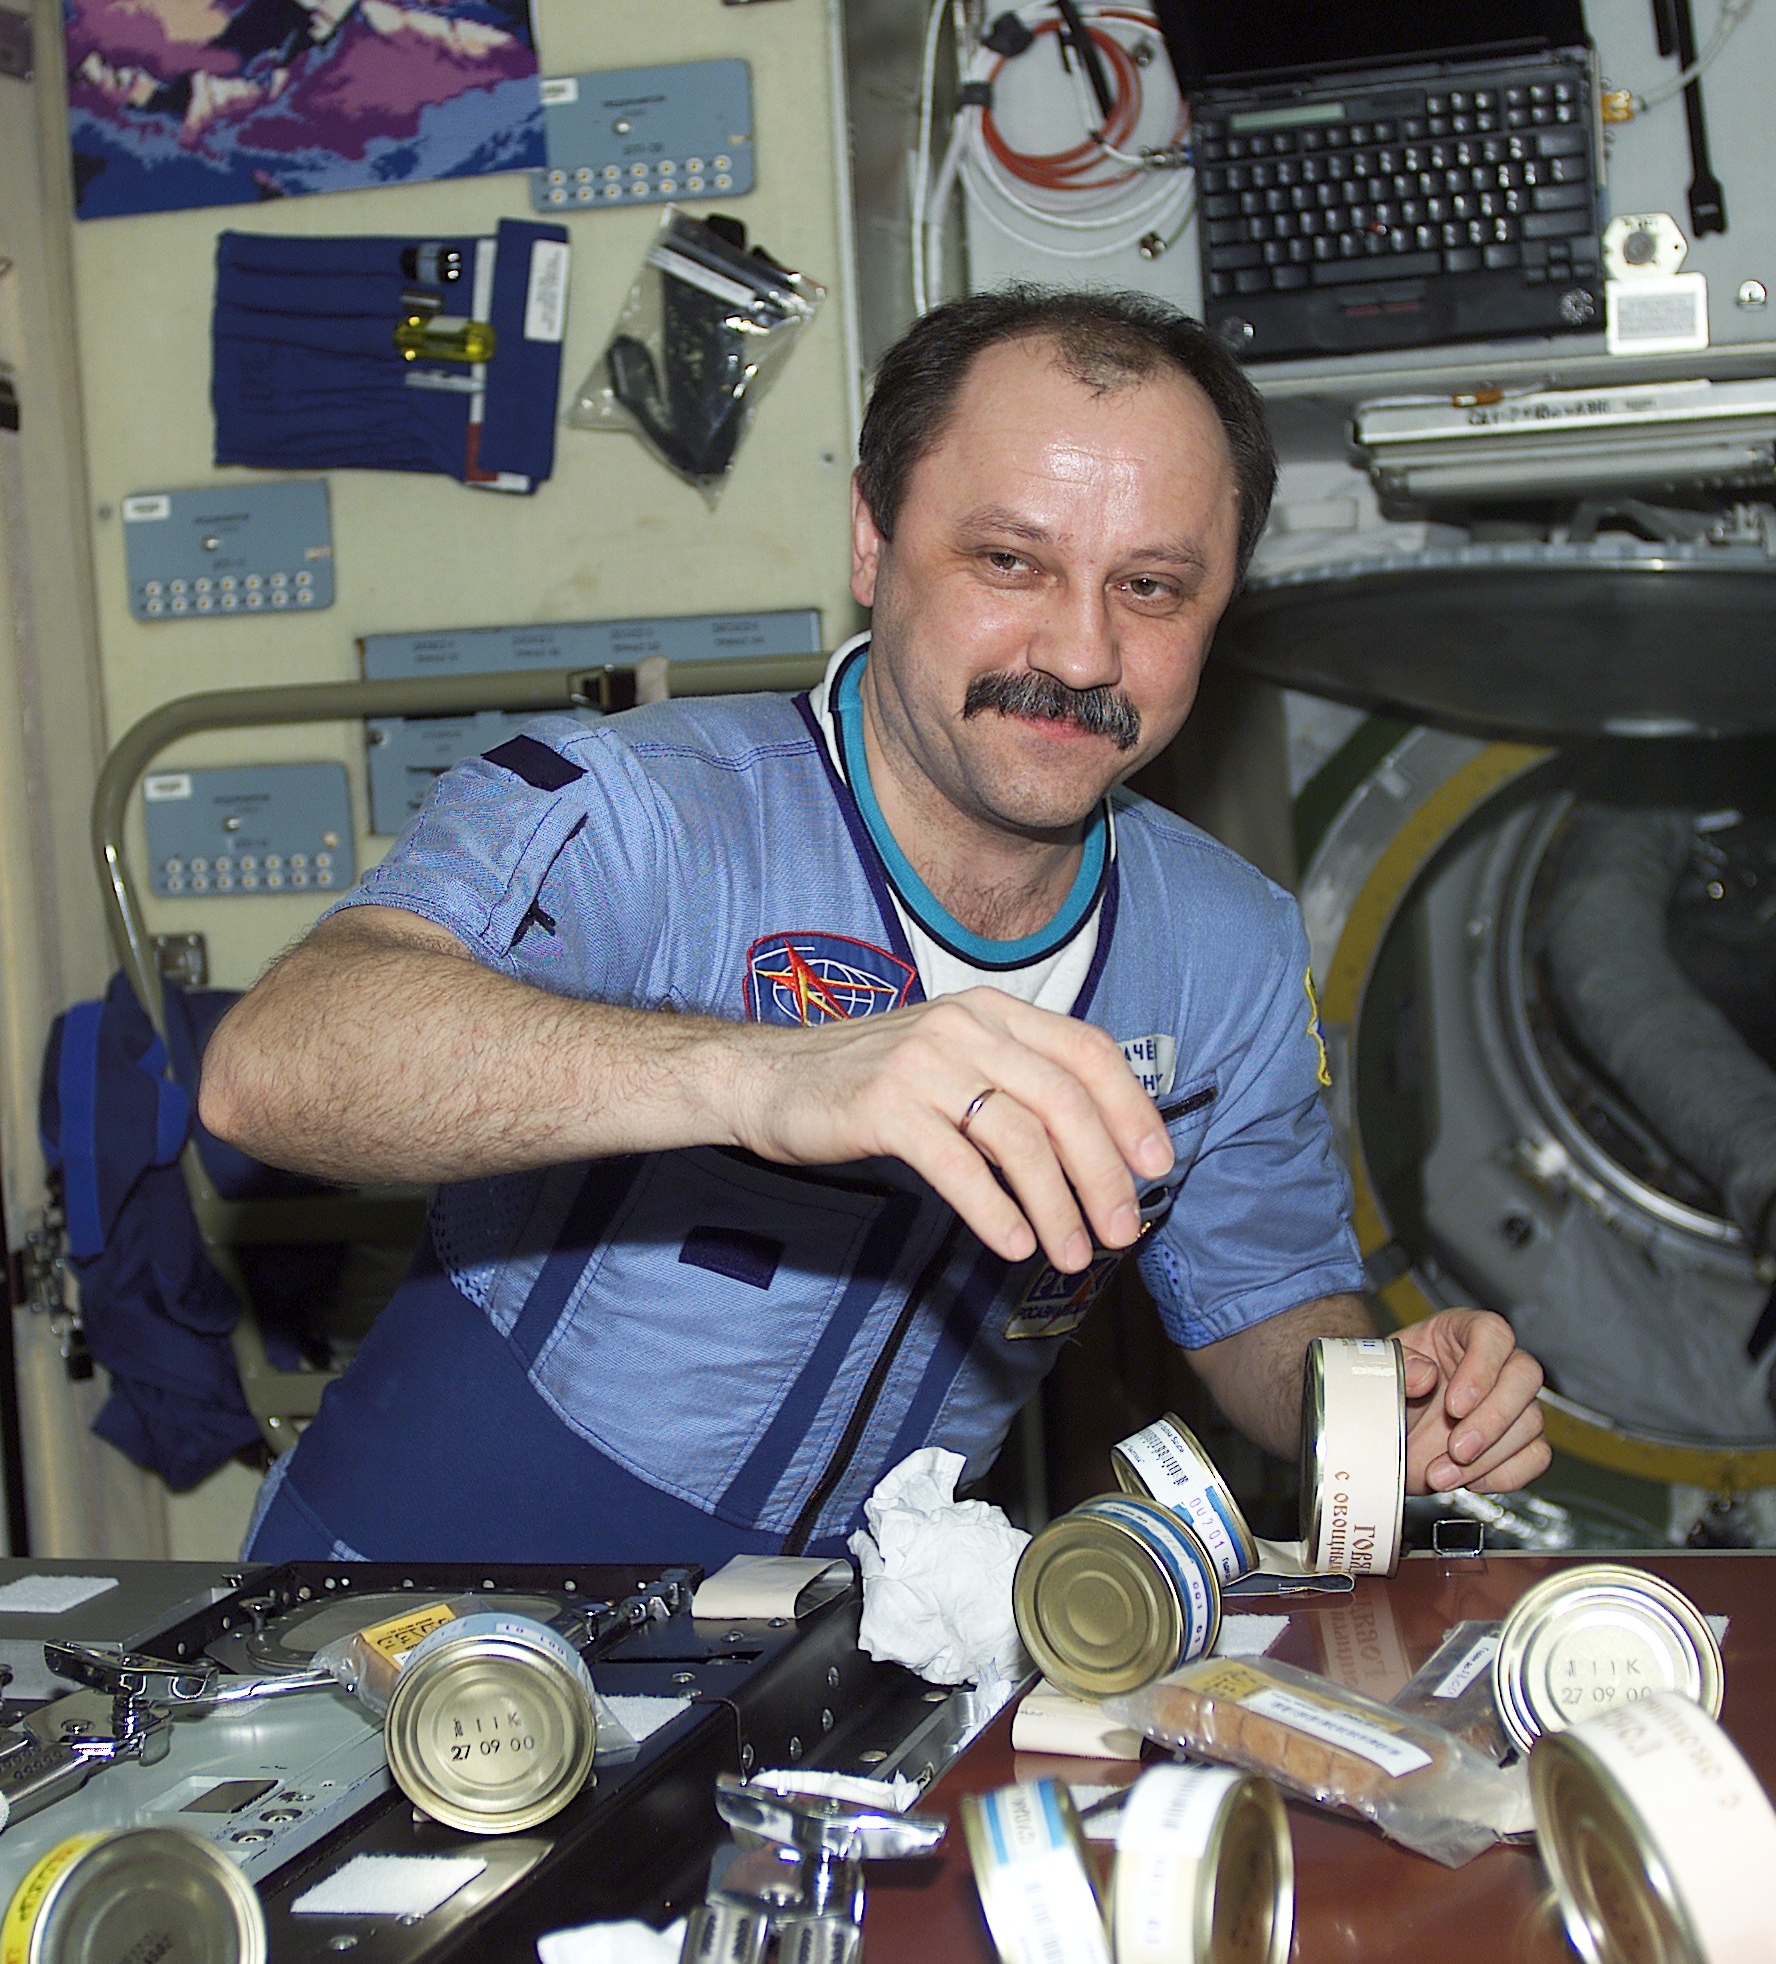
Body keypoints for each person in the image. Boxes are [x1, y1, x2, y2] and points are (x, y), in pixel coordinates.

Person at [199, 286, 1550, 1565]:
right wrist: (760, 1077)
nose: (1081, 655)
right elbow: (273, 1071)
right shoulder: (639, 813)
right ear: (871, 539)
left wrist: (1375, 1407)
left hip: (855, 1630)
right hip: (435, 1588)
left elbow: (1265, 1303)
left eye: (1151, 588)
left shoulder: (1227, 946)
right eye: (1009, 561)